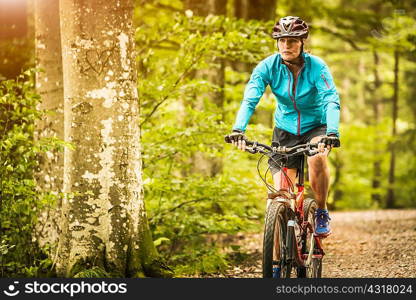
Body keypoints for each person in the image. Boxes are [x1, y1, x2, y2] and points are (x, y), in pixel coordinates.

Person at [227, 16, 340, 237]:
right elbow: (250, 99)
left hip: (316, 126)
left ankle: (322, 211)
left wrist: (332, 133)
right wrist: (238, 129)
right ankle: (276, 266)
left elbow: (331, 99)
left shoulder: (317, 67)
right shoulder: (267, 67)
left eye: (292, 41)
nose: (286, 46)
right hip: (285, 129)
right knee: (279, 199)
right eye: (281, 40)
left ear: (302, 42)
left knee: (317, 157)